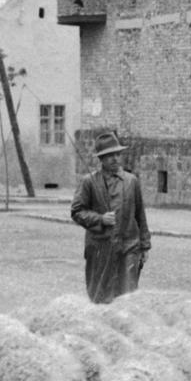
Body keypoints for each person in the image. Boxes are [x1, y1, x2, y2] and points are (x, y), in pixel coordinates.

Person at [70, 128, 151, 302]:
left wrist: (145, 246)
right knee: (100, 296)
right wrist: (100, 219)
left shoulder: (131, 181)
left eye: (117, 154)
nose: (115, 159)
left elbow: (140, 215)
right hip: (101, 249)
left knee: (128, 296)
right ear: (101, 159)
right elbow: (76, 212)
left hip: (129, 246)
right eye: (109, 156)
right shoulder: (89, 182)